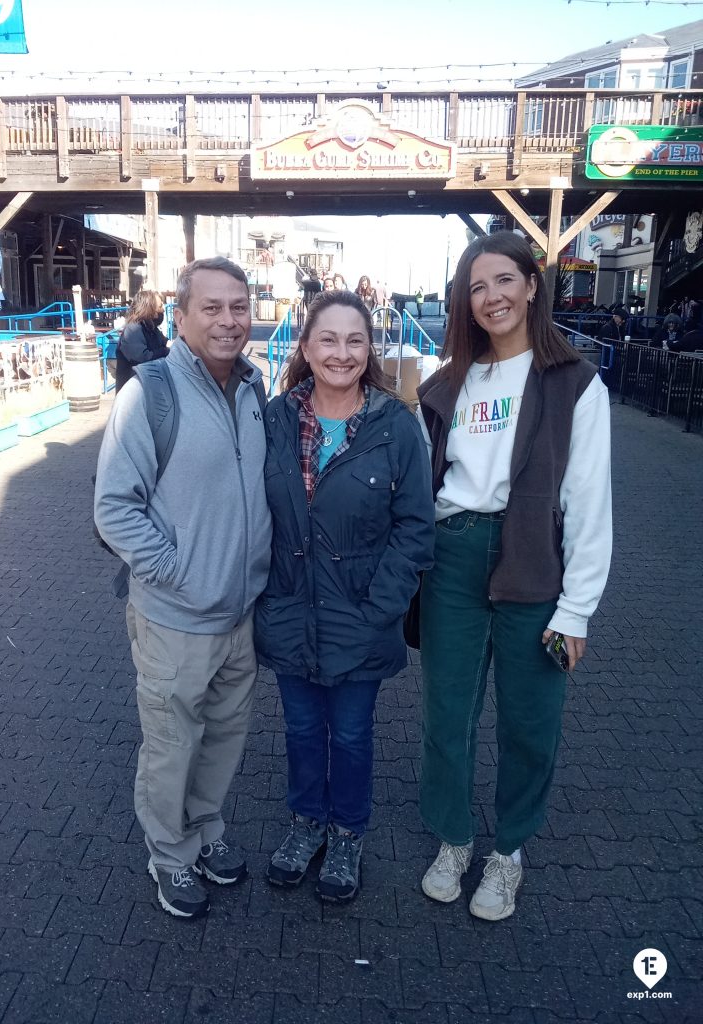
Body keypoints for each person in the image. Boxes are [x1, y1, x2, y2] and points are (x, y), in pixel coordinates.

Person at [417, 231, 612, 922]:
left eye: (504, 281)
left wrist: (577, 609)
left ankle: (509, 855)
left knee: (531, 722)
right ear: (465, 303)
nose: (492, 297)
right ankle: (454, 840)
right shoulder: (445, 385)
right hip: (455, 556)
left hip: (535, 561)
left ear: (533, 284)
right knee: (447, 715)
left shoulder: (575, 384)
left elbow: (589, 501)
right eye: (477, 287)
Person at [94, 257, 271, 919]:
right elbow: (114, 508)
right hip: (174, 616)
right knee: (172, 746)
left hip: (239, 615)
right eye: (212, 307)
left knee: (224, 739)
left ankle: (208, 834)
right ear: (182, 314)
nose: (228, 320)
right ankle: (170, 857)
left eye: (238, 306)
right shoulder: (151, 391)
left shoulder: (255, 388)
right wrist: (178, 574)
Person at [255, 290, 434, 903]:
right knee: (303, 730)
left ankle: (348, 833)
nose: (341, 352)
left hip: (362, 618)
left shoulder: (394, 426)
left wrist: (380, 607)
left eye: (355, 340)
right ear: (305, 348)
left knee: (353, 734)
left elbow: (416, 526)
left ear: (370, 349)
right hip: (289, 612)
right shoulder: (274, 418)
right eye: (327, 339)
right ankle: (307, 824)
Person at [114, 289, 170, 393]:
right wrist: (166, 351)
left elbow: (165, 342)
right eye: (160, 306)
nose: (163, 310)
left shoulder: (151, 328)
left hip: (150, 390)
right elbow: (142, 358)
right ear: (149, 308)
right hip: (133, 395)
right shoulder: (133, 329)